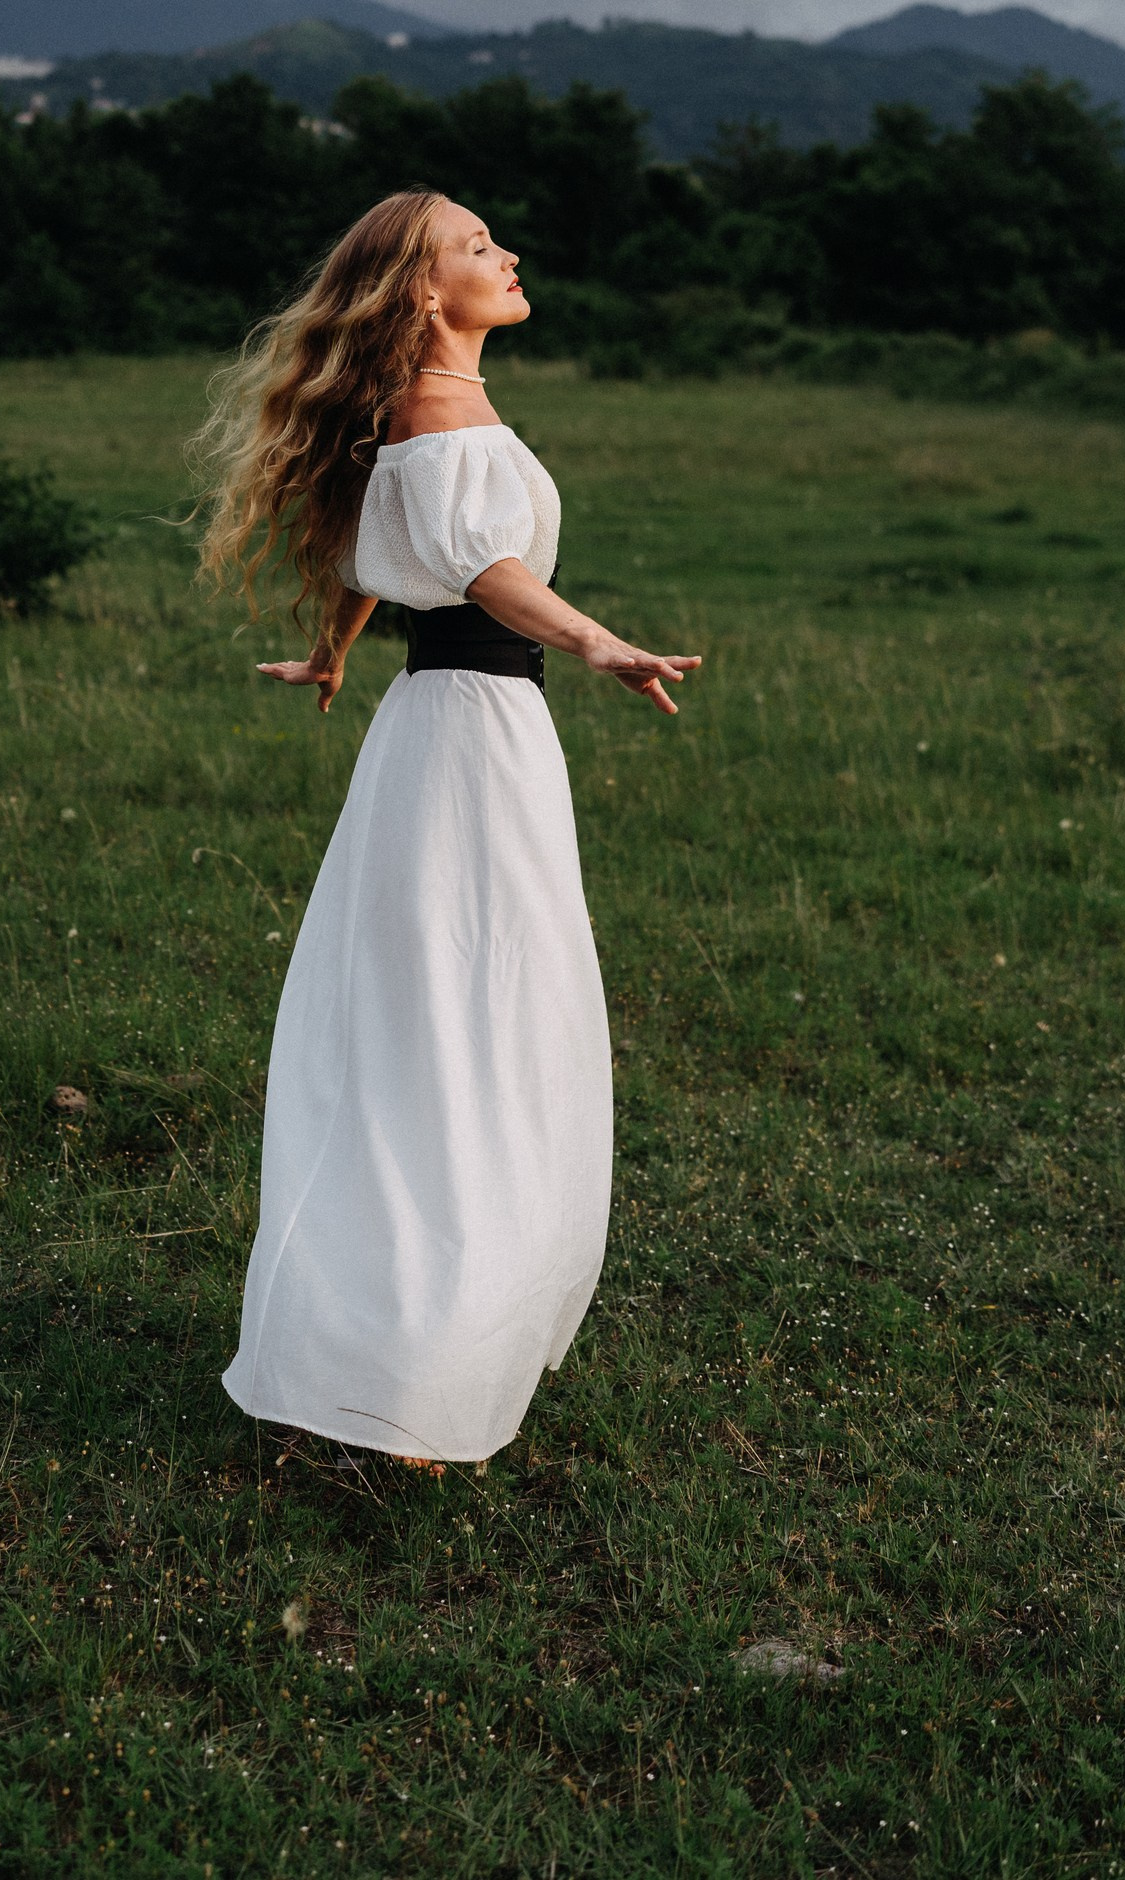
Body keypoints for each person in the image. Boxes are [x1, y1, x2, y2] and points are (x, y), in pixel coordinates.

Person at [194, 189, 700, 1468]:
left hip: (455, 725)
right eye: (477, 247)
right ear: (424, 292)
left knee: (452, 1013)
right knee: (470, 1022)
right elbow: (477, 570)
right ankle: (414, 1354)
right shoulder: (437, 409)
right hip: (472, 730)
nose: (507, 253)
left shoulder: (419, 416)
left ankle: (425, 1334)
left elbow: (391, 548)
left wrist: (329, 649)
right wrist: (591, 637)